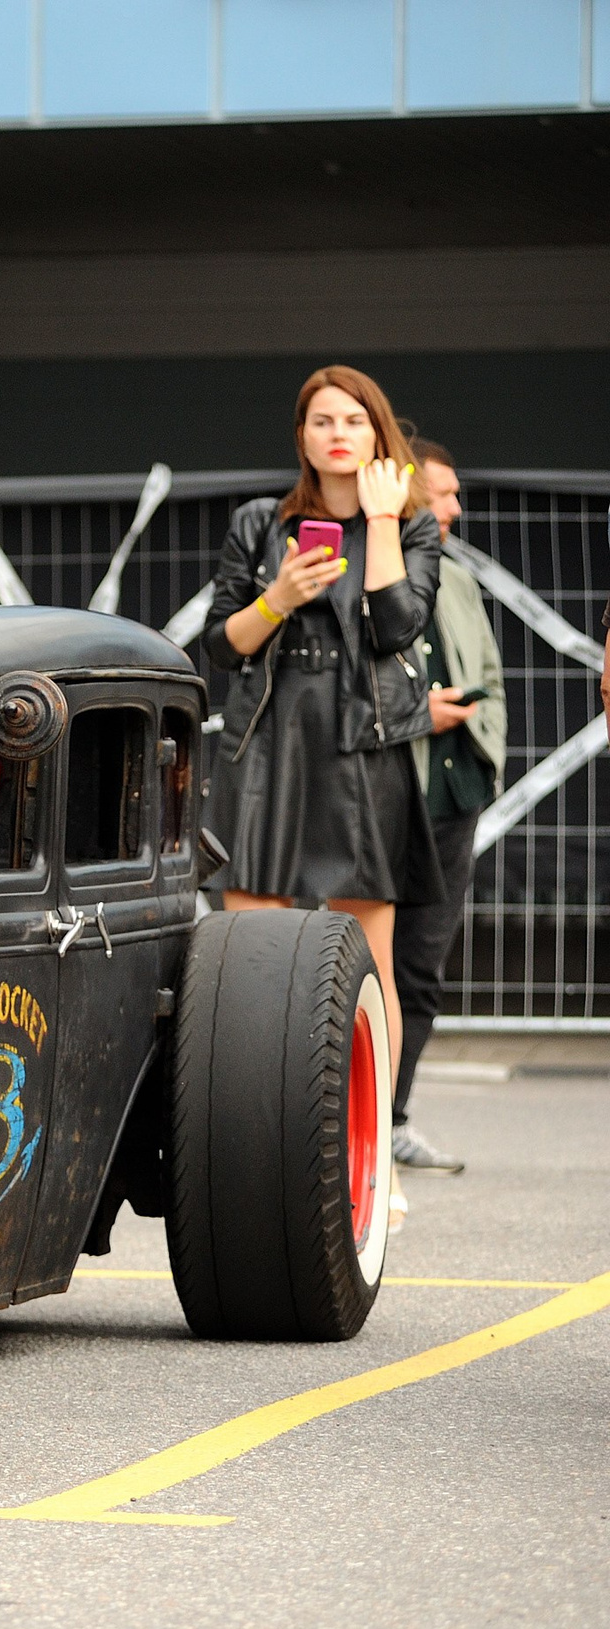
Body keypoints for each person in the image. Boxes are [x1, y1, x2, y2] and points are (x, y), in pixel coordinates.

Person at [205, 365, 440, 1087]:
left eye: (354, 421)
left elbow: (398, 628)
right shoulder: (260, 522)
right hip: (267, 738)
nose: (339, 434)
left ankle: (376, 1134)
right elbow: (221, 645)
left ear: (378, 432)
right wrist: (276, 597)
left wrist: (380, 520)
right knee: (251, 952)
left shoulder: (412, 523)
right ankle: (254, 1120)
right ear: (302, 438)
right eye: (323, 421)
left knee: (368, 959)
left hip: (361, 743)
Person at [386, 440, 505, 1174]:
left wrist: (487, 754)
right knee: (359, 965)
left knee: (422, 968)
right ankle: (342, 1118)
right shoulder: (371, 575)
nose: (456, 506)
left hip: (455, 800)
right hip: (386, 798)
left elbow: (490, 669)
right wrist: (413, 715)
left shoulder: (457, 580)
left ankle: (394, 1119)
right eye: (444, 492)